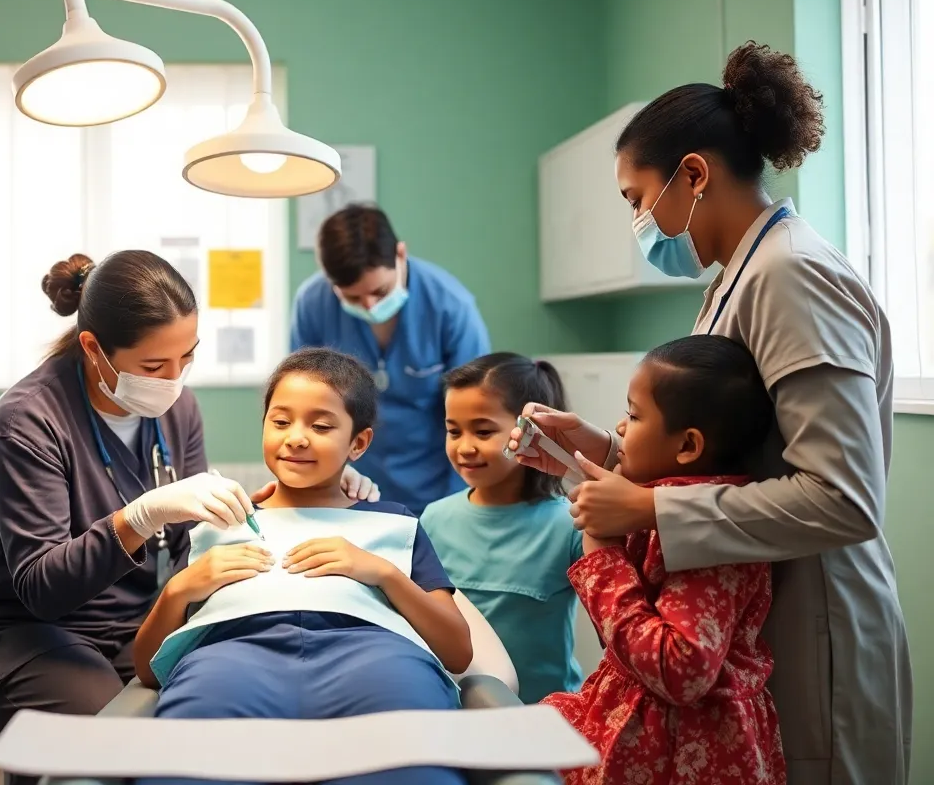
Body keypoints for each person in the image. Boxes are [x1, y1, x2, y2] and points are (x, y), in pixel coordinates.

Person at [509, 41, 912, 785]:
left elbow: (845, 497)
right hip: (757, 613)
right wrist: (597, 450)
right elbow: (725, 451)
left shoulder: (794, 276)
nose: (639, 223)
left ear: (693, 174)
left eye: (636, 199)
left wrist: (651, 513)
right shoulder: (744, 274)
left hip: (814, 626)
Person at [0, 252, 379, 784]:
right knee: (127, 744)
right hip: (24, 637)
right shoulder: (25, 425)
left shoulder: (176, 409)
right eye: (154, 367)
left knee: (221, 710)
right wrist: (141, 515)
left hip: (131, 627)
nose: (174, 381)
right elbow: (43, 589)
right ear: (93, 348)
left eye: (187, 359)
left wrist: (321, 490)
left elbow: (189, 545)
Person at [132, 347, 472, 785]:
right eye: (280, 421)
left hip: (375, 659)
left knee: (413, 769)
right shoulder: (218, 523)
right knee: (188, 769)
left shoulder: (395, 523)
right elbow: (145, 667)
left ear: (359, 443)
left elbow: (458, 651)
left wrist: (380, 572)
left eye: (322, 425)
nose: (296, 437)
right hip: (231, 662)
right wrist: (181, 589)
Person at [543, 335, 784, 785]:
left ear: (689, 446)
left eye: (634, 415)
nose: (618, 427)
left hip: (685, 748)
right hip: (642, 722)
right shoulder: (660, 500)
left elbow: (681, 669)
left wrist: (603, 551)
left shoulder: (708, 535)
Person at [290, 204, 492, 514]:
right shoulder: (312, 304)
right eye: (353, 298)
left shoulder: (451, 307)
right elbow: (301, 402)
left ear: (400, 254)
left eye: (380, 291)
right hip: (348, 484)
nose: (370, 306)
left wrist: (461, 505)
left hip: (439, 486)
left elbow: (477, 412)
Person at [421, 352, 583, 704]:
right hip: (453, 710)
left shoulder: (569, 524)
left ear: (530, 432)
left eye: (483, 431)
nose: (465, 447)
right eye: (453, 431)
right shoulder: (433, 519)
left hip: (544, 718)